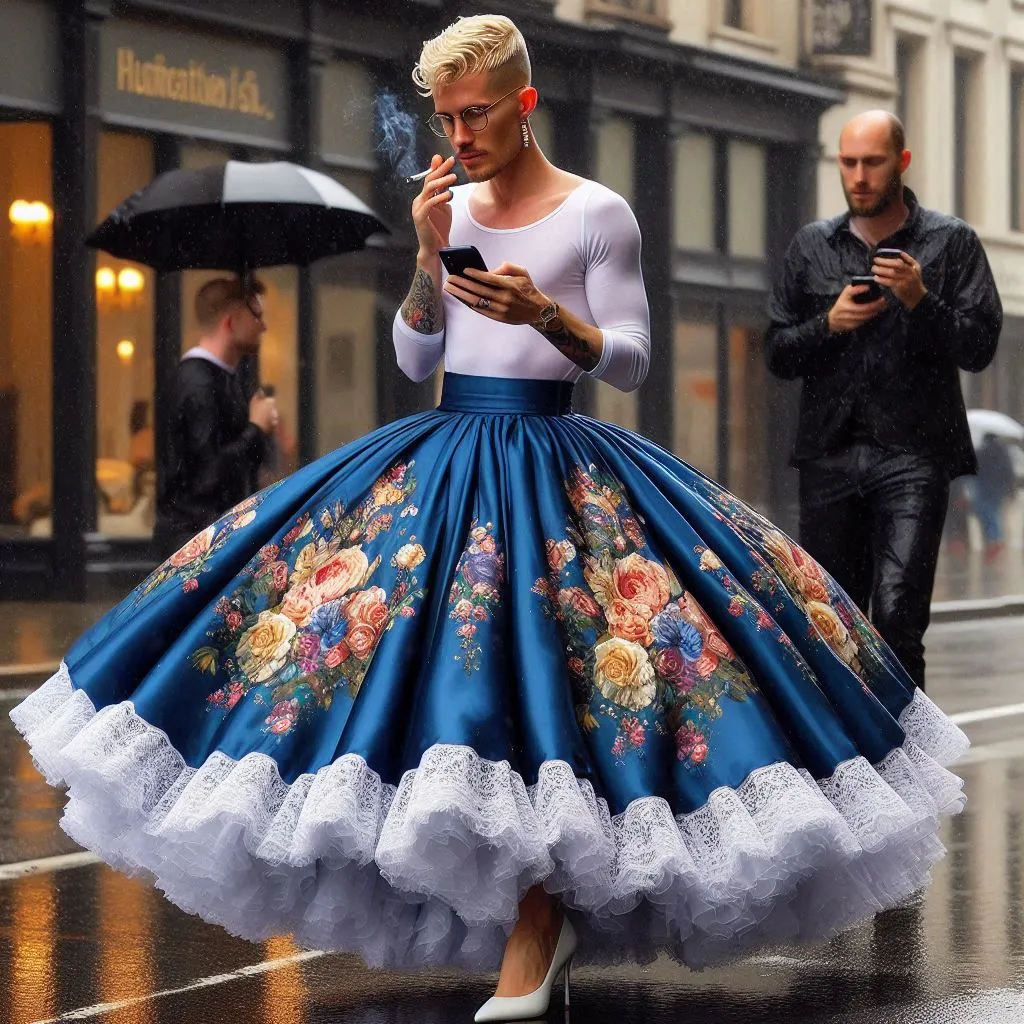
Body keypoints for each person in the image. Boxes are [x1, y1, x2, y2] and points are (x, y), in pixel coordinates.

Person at [13, 22, 967, 1024]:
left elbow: (632, 358)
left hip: (557, 465)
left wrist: (542, 315)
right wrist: (429, 253)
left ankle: (539, 924)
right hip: (442, 456)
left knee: (559, 690)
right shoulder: (449, 203)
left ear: (523, 105)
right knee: (423, 687)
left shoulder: (598, 213)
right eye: (444, 118)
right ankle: (521, 920)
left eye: (475, 115)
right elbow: (417, 356)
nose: (458, 135)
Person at [766, 110, 1002, 692]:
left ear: (902, 162)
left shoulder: (952, 243)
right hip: (830, 455)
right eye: (848, 162)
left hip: (915, 454)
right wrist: (830, 323)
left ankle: (908, 765)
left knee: (897, 616)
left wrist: (922, 299)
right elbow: (775, 352)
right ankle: (847, 764)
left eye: (872, 162)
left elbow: (978, 347)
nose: (859, 176)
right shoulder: (811, 247)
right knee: (830, 622)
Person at [152, 276, 279, 559]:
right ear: (231, 321)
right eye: (257, 315)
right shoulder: (197, 383)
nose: (263, 326)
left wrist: (259, 429)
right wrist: (255, 429)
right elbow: (206, 476)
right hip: (194, 543)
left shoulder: (224, 379)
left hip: (213, 534)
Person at [971, 432, 1017, 562]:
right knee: (994, 512)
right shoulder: (1003, 452)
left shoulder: (981, 451)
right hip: (999, 489)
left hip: (985, 488)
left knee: (989, 513)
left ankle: (994, 539)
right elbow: (1009, 471)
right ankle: (996, 539)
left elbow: (976, 471)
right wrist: (1009, 489)